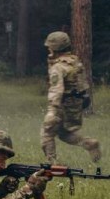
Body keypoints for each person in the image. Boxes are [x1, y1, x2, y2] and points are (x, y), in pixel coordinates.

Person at [41, 31, 101, 164]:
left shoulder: (58, 67)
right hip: (75, 104)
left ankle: (51, 163)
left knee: (47, 133)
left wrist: (52, 111)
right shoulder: (74, 61)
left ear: (54, 48)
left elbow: (56, 90)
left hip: (62, 105)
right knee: (63, 133)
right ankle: (89, 143)